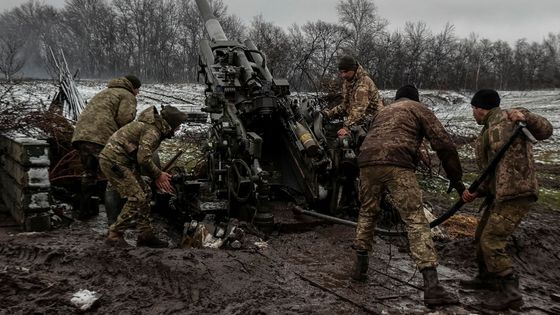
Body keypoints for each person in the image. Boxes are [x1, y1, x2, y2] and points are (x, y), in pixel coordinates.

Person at [352, 85, 465, 307]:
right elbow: (443, 143)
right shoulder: (418, 108)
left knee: (367, 212)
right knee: (415, 219)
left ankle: (359, 270)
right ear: (416, 98)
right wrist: (456, 178)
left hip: (366, 163)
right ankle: (432, 287)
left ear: (396, 98)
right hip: (397, 164)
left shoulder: (383, 112)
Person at [461, 89, 553, 310]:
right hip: (499, 194)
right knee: (481, 235)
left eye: (473, 108)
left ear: (480, 108)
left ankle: (510, 293)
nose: (472, 113)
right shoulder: (485, 134)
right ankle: (487, 278)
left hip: (517, 193)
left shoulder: (511, 117)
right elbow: (490, 172)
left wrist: (527, 118)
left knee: (491, 240)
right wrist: (475, 191)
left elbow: (546, 130)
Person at [100, 105, 188, 248]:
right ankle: (115, 235)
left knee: (145, 192)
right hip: (114, 162)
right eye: (178, 126)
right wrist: (158, 175)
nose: (178, 130)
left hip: (122, 161)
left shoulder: (153, 127)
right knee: (137, 197)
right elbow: (143, 158)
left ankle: (145, 234)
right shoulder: (152, 131)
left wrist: (158, 174)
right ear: (171, 124)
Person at [71, 75, 141, 220]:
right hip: (101, 138)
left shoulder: (105, 92)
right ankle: (117, 219)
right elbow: (124, 120)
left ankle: (85, 212)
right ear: (133, 87)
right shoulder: (127, 95)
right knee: (117, 175)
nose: (138, 93)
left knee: (89, 174)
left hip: (81, 136)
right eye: (137, 90)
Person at [322, 55, 382, 212]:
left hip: (372, 122)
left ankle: (357, 193)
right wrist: (329, 114)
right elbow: (346, 105)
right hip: (358, 121)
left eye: (346, 72)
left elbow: (358, 111)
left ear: (354, 70)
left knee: (349, 151)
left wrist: (347, 127)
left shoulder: (363, 85)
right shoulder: (349, 82)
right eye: (341, 72)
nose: (343, 75)